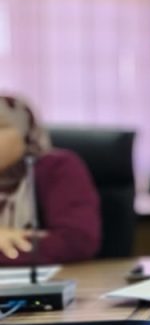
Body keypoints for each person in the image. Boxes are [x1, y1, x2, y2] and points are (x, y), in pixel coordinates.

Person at [0, 95, 101, 264]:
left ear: (26, 131)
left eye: (0, 127)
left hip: (61, 278)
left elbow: (76, 241)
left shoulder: (57, 167)